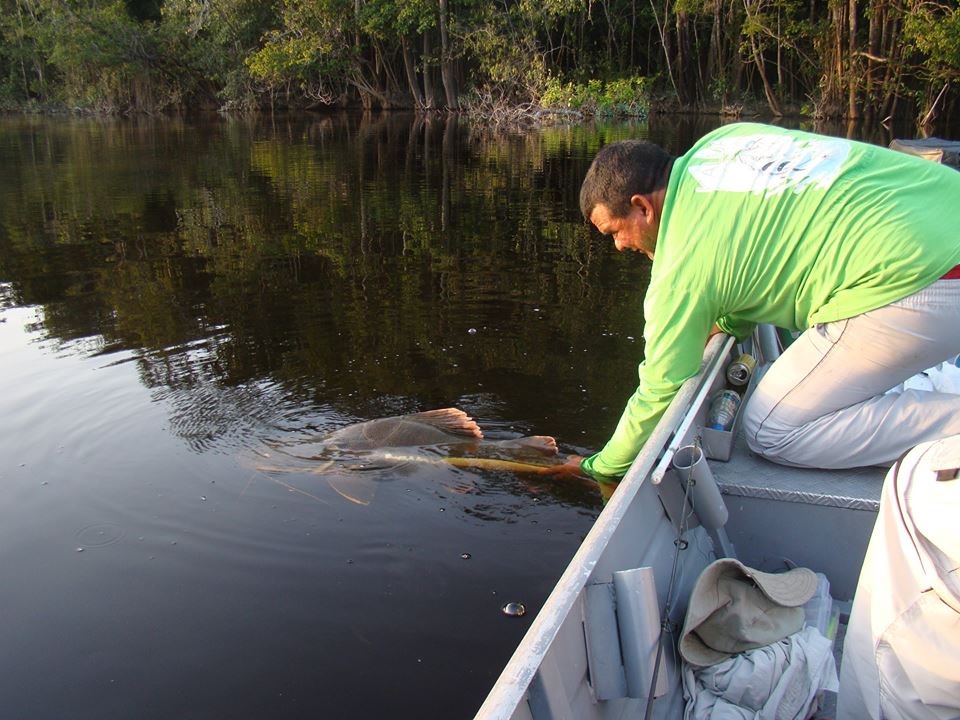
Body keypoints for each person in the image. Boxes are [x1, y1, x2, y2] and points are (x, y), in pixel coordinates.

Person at [555, 122, 960, 483]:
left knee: (770, 428)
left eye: (615, 231)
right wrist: (730, 322)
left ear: (642, 207)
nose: (620, 245)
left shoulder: (679, 267)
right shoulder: (723, 143)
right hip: (945, 213)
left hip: (925, 278)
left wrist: (598, 467)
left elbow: (661, 388)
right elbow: (754, 247)